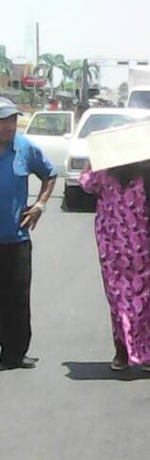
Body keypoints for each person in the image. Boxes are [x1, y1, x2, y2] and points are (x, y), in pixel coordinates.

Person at [79, 159, 150, 371]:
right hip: (149, 251)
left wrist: (92, 159)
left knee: (120, 302)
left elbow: (84, 182)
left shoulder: (104, 174)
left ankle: (122, 353)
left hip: (114, 253)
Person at [0, 97, 56, 370]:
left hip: (16, 240)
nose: (10, 126)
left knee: (17, 299)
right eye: (3, 121)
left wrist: (40, 204)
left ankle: (15, 353)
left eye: (12, 120)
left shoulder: (25, 148)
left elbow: (50, 174)